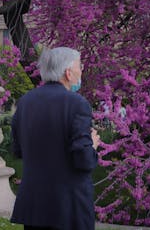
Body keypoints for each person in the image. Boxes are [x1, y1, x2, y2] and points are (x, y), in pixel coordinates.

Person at [10, 47, 100, 230]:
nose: (81, 71)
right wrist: (93, 146)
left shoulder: (25, 101)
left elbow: (17, 150)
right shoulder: (77, 103)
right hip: (68, 206)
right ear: (68, 72)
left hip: (34, 204)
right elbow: (83, 160)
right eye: (79, 67)